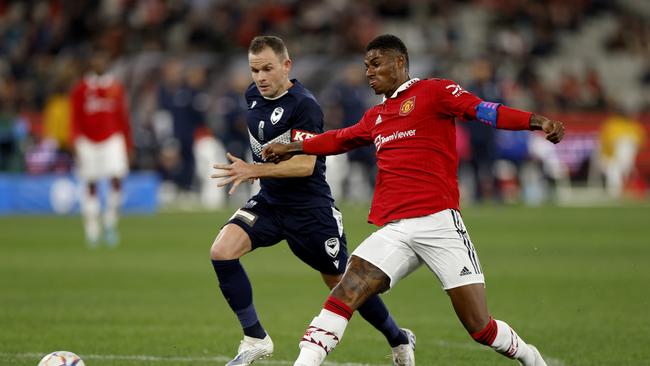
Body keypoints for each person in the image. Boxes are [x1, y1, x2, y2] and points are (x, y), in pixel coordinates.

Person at [262, 34, 566, 366]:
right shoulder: (376, 116)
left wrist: (536, 121)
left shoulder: (435, 91)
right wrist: (293, 147)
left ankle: (532, 359)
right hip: (396, 230)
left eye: (376, 64)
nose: (368, 72)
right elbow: (340, 138)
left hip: (439, 224)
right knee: (346, 292)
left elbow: (483, 111)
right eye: (366, 66)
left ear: (400, 62)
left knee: (480, 328)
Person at [209, 36, 415, 366]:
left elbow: (305, 166)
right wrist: (256, 173)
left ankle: (398, 337)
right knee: (221, 251)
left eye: (267, 69)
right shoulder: (251, 97)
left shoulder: (305, 105)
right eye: (254, 70)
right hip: (271, 203)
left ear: (286, 66)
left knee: (344, 284)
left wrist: (253, 169)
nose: (260, 77)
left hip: (310, 211)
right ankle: (255, 338)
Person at [70, 49, 132, 247]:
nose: (99, 63)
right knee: (90, 183)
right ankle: (92, 228)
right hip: (87, 142)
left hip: (112, 138)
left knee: (116, 178)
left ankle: (110, 222)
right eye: (95, 60)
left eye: (102, 60)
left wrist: (129, 144)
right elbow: (74, 117)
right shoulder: (80, 89)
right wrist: (74, 141)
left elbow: (123, 117)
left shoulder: (115, 87)